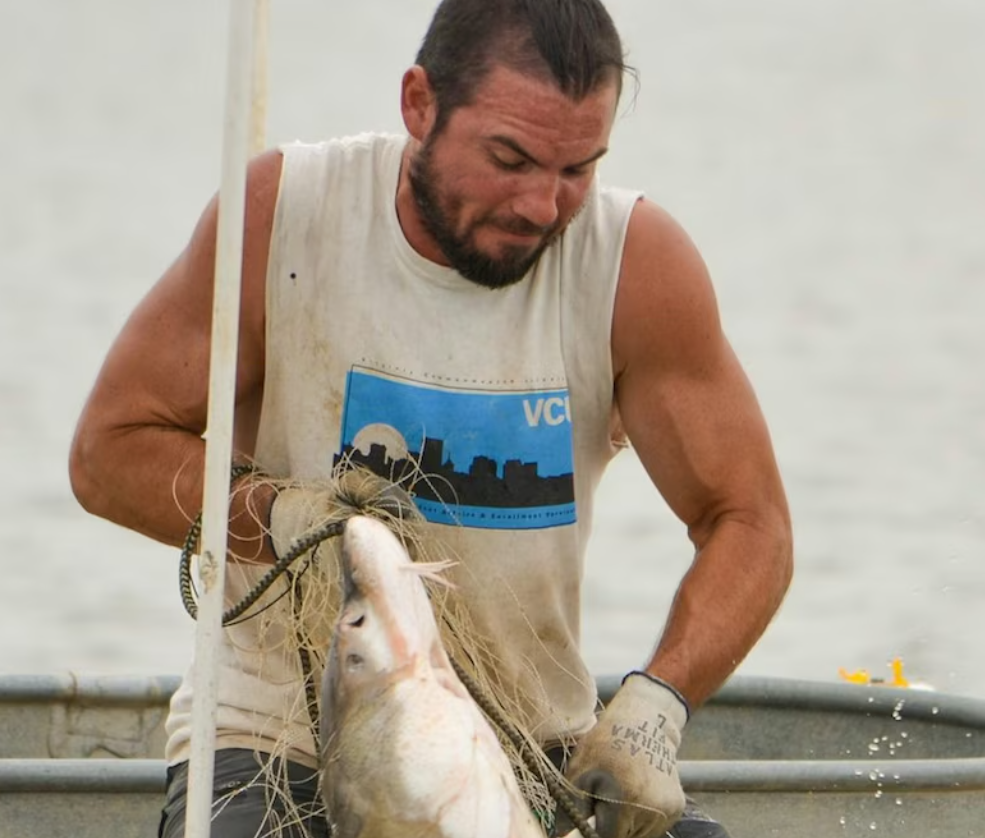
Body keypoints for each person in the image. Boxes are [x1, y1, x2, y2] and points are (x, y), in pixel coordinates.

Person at [69, 1, 793, 836]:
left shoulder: (634, 264)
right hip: (280, 737)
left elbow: (750, 522)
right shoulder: (285, 213)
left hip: (530, 736)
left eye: (576, 169)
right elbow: (106, 454)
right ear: (419, 104)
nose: (541, 206)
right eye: (510, 158)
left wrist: (656, 708)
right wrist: (281, 518)